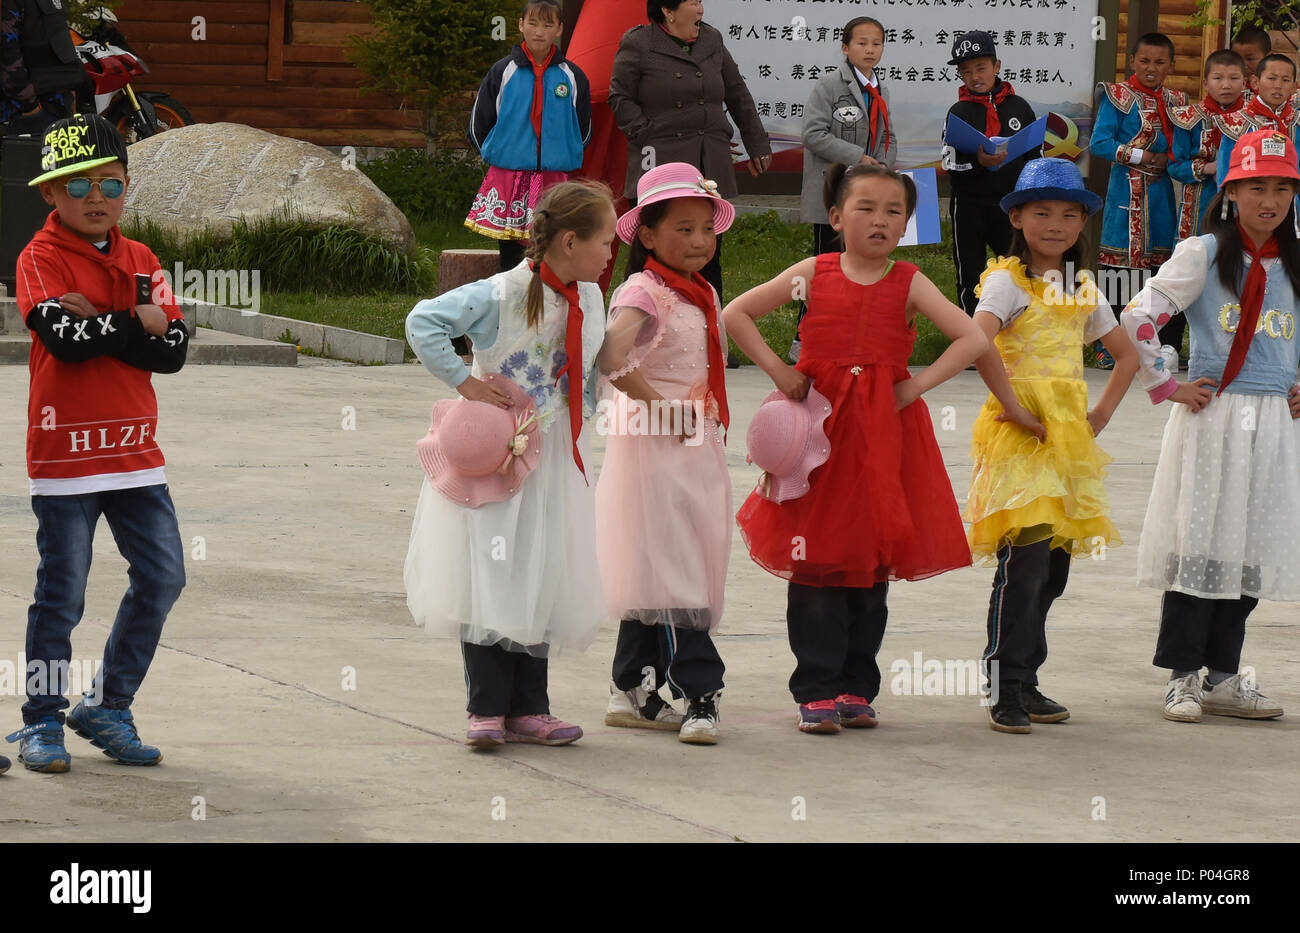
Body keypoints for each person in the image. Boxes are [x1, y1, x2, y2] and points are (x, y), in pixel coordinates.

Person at [724, 163, 987, 734]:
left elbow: (973, 336)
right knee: (813, 555)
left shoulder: (909, 281)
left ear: (908, 224)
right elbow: (736, 313)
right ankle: (814, 688)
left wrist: (914, 386)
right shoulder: (813, 273)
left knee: (871, 561)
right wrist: (779, 370)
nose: (880, 220)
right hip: (818, 433)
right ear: (837, 217)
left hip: (885, 438)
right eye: (865, 208)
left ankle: (855, 685)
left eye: (895, 211)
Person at [4, 114, 190, 773]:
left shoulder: (142, 259)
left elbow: (173, 352)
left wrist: (109, 321)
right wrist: (135, 321)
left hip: (136, 456)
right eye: (76, 184)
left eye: (109, 184)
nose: (95, 197)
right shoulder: (39, 258)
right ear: (50, 194)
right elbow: (62, 339)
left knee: (165, 576)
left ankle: (108, 704)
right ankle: (39, 722)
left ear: (126, 188)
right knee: (63, 595)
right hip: (64, 463)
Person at [405, 179, 616, 748]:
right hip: (499, 464)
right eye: (604, 241)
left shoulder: (590, 298)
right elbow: (422, 322)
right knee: (493, 574)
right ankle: (486, 708)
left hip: (555, 466)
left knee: (540, 572)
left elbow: (589, 367)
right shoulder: (500, 294)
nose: (610, 251)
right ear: (570, 241)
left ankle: (530, 708)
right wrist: (465, 385)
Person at [1122, 129, 1300, 725]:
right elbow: (1140, 315)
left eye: (1282, 187)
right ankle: (1182, 676)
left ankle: (1225, 674)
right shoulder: (1202, 252)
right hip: (1213, 414)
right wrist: (1169, 383)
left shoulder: (1295, 262)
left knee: (1250, 541)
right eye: (1255, 187)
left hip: (1274, 421)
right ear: (1231, 192)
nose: (1269, 200)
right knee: (1200, 539)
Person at [964, 159, 1139, 733]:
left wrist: (1101, 414)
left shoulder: (1083, 288)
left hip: (1065, 441)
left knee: (1054, 570)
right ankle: (1003, 682)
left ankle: (1028, 677)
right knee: (1026, 561)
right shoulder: (1005, 280)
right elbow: (978, 342)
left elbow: (1127, 354)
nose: (1057, 225)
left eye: (1070, 214)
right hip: (1019, 436)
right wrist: (1013, 406)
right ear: (1017, 216)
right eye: (1042, 212)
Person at [596, 162, 734, 745]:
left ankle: (634, 688)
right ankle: (698, 691)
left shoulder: (698, 290)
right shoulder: (644, 291)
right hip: (658, 443)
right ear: (647, 235)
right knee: (674, 562)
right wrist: (660, 406)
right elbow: (608, 358)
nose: (700, 241)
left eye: (706, 228)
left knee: (666, 559)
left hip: (693, 440)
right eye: (684, 228)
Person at [609, 0, 772, 366]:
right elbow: (619, 97)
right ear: (668, 10)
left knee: (706, 253)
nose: (701, 9)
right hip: (660, 164)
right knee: (652, 253)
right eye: (693, 2)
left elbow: (737, 92)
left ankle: (708, 338)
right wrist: (648, 134)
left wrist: (757, 143)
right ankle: (635, 336)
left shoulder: (711, 40)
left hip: (707, 162)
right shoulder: (639, 43)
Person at [791, 15, 896, 361]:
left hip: (866, 196)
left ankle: (849, 337)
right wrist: (861, 159)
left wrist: (885, 165)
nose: (870, 49)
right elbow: (813, 134)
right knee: (825, 270)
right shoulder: (829, 87)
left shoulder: (878, 88)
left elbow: (887, 135)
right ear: (845, 47)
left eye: (876, 43)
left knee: (861, 267)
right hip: (834, 193)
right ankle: (804, 341)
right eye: (862, 43)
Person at [466, 0, 592, 272]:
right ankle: (512, 303)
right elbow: (480, 122)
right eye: (532, 23)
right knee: (511, 256)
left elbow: (583, 128)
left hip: (554, 178)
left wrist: (561, 154)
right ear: (521, 24)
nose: (539, 31)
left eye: (548, 25)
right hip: (509, 175)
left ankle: (548, 303)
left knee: (553, 246)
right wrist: (498, 153)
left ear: (559, 29)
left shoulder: (572, 77)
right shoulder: (503, 71)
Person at [1091, 32, 1186, 369]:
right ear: (1132, 61)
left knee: (1162, 269)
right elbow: (1099, 142)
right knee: (1118, 270)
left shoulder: (1177, 102)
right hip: (1124, 194)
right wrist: (1141, 155)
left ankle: (1161, 346)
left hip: (1161, 195)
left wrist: (1169, 160)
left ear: (1171, 65)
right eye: (1144, 61)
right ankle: (1109, 348)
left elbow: (1184, 147)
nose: (1151, 68)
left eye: (1160, 62)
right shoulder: (1116, 96)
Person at [940, 30, 1040, 317]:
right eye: (966, 71)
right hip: (969, 204)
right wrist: (977, 163)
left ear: (997, 66)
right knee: (970, 271)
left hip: (1011, 205)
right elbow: (949, 162)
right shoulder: (958, 111)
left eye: (981, 68)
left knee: (1018, 268)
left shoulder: (1019, 107)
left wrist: (1031, 197)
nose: (974, 76)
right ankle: (971, 336)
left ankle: (1016, 329)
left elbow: (1035, 155)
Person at [1167, 49, 1248, 367]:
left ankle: (1230, 347)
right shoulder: (1189, 117)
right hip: (1197, 207)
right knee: (1188, 272)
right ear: (1206, 82)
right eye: (1218, 78)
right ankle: (1170, 346)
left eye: (1233, 78)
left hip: (1240, 211)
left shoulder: (1252, 120)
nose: (1226, 84)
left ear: (1245, 81)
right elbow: (1175, 166)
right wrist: (1208, 169)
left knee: (1233, 274)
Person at [1, 0, 91, 130]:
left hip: (59, 105)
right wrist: (29, 106)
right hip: (29, 112)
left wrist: (71, 92)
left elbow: (59, 44)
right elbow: (7, 52)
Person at [1215, 54, 1300, 187]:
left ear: (1294, 87)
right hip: (1248, 203)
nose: (1278, 85)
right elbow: (1224, 173)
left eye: (1286, 80)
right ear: (1255, 82)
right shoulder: (1236, 124)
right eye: (1271, 78)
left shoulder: (1297, 122)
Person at [1230, 25, 1270, 97]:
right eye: (1237, 58)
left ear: (1268, 58)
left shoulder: (1277, 85)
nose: (1243, 65)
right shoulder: (1228, 85)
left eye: (1250, 59)